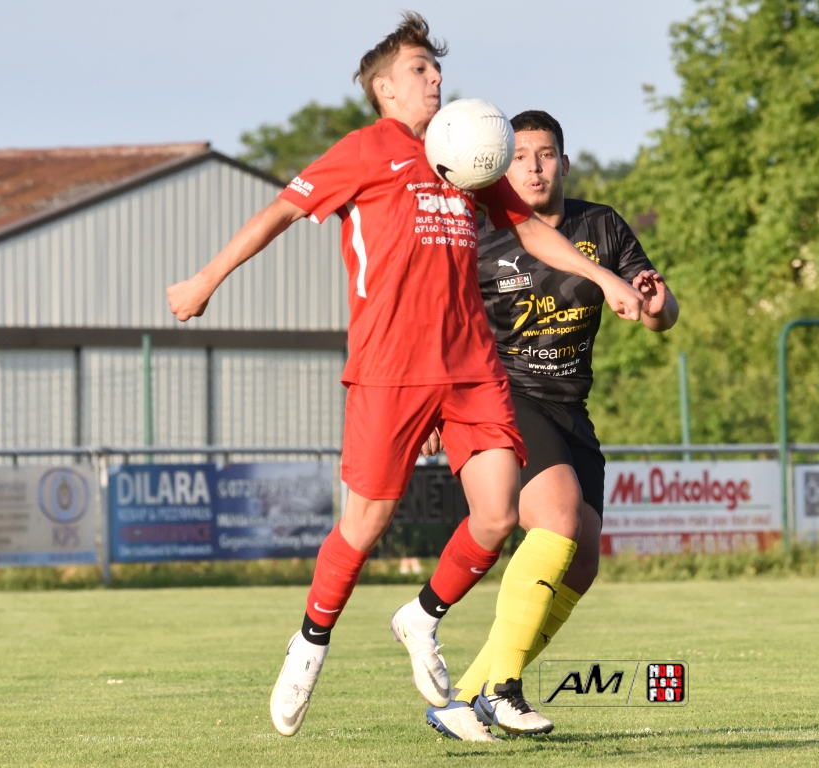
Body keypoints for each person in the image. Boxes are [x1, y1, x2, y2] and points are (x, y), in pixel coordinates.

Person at [165, 17, 647, 738]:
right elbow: (279, 213)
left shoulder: (466, 153)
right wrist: (206, 279)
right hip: (390, 368)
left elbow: (529, 230)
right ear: (384, 89)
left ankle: (421, 616)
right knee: (364, 524)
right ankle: (309, 643)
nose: (435, 78)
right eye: (420, 68)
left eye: (436, 68)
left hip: (471, 368)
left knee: (496, 515)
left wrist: (603, 277)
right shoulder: (365, 150)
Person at [423, 110, 678, 741]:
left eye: (544, 155)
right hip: (501, 397)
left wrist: (653, 299)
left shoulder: (602, 225)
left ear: (564, 163)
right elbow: (440, 326)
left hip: (569, 408)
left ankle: (468, 696)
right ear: (500, 167)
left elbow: (660, 314)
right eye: (520, 157)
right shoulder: (479, 233)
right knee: (558, 518)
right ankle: (504, 690)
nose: (533, 168)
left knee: (582, 561)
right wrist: (430, 406)